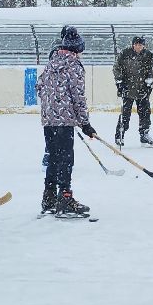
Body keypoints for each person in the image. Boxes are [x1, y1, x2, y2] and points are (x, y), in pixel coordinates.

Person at [37, 25, 96, 218]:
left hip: (49, 120)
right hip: (63, 122)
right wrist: (84, 123)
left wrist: (54, 107)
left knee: (54, 157)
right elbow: (78, 96)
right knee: (66, 160)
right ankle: (65, 197)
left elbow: (39, 88)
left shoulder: (51, 63)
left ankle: (49, 197)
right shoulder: (74, 65)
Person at [113, 35, 153, 147]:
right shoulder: (125, 54)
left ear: (143, 45)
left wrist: (149, 84)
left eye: (140, 45)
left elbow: (152, 70)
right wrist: (119, 82)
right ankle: (120, 135)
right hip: (127, 89)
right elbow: (117, 67)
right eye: (136, 44)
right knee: (125, 114)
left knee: (145, 113)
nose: (138, 46)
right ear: (133, 45)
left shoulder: (148, 55)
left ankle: (144, 134)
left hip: (142, 90)